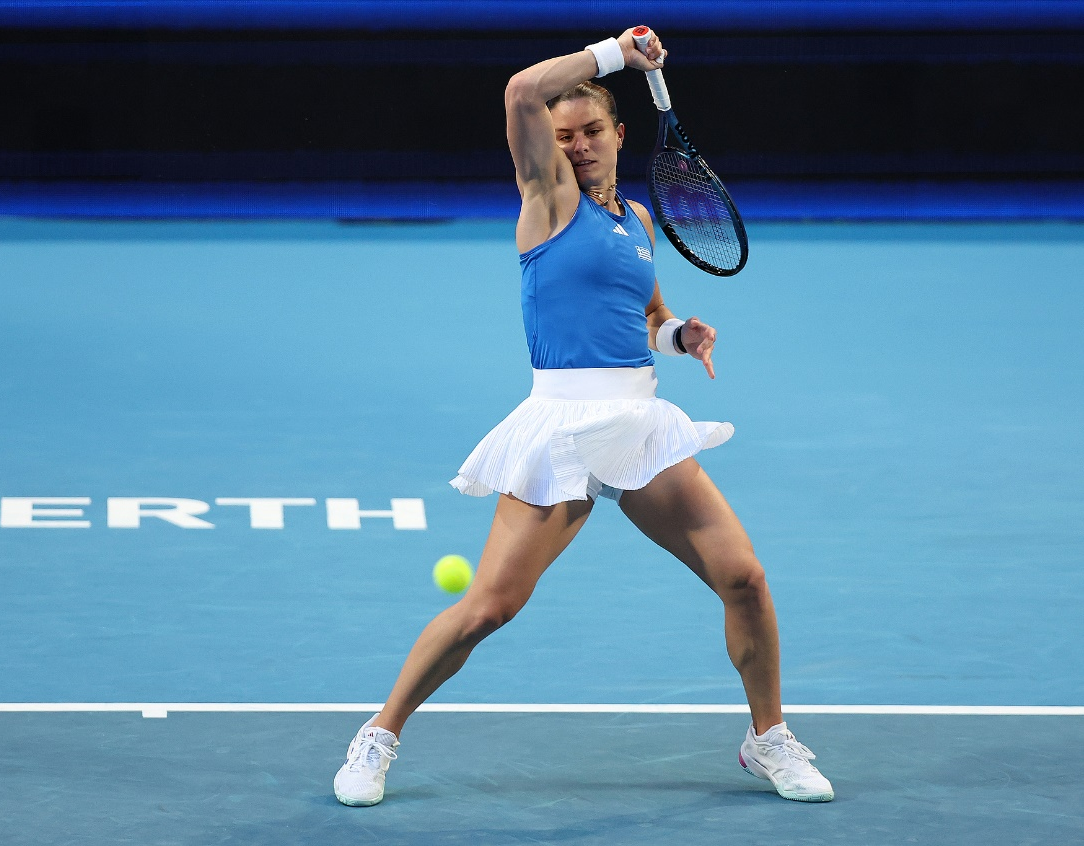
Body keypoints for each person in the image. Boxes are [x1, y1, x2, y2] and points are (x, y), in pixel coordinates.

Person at [334, 28, 833, 806]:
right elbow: (517, 93)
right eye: (562, 135)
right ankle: (378, 735)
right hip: (559, 431)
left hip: (639, 427)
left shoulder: (635, 217)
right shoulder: (546, 197)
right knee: (487, 608)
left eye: (591, 131)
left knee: (743, 577)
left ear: (619, 134)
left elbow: (642, 312)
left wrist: (677, 334)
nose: (576, 146)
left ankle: (767, 739)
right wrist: (613, 55)